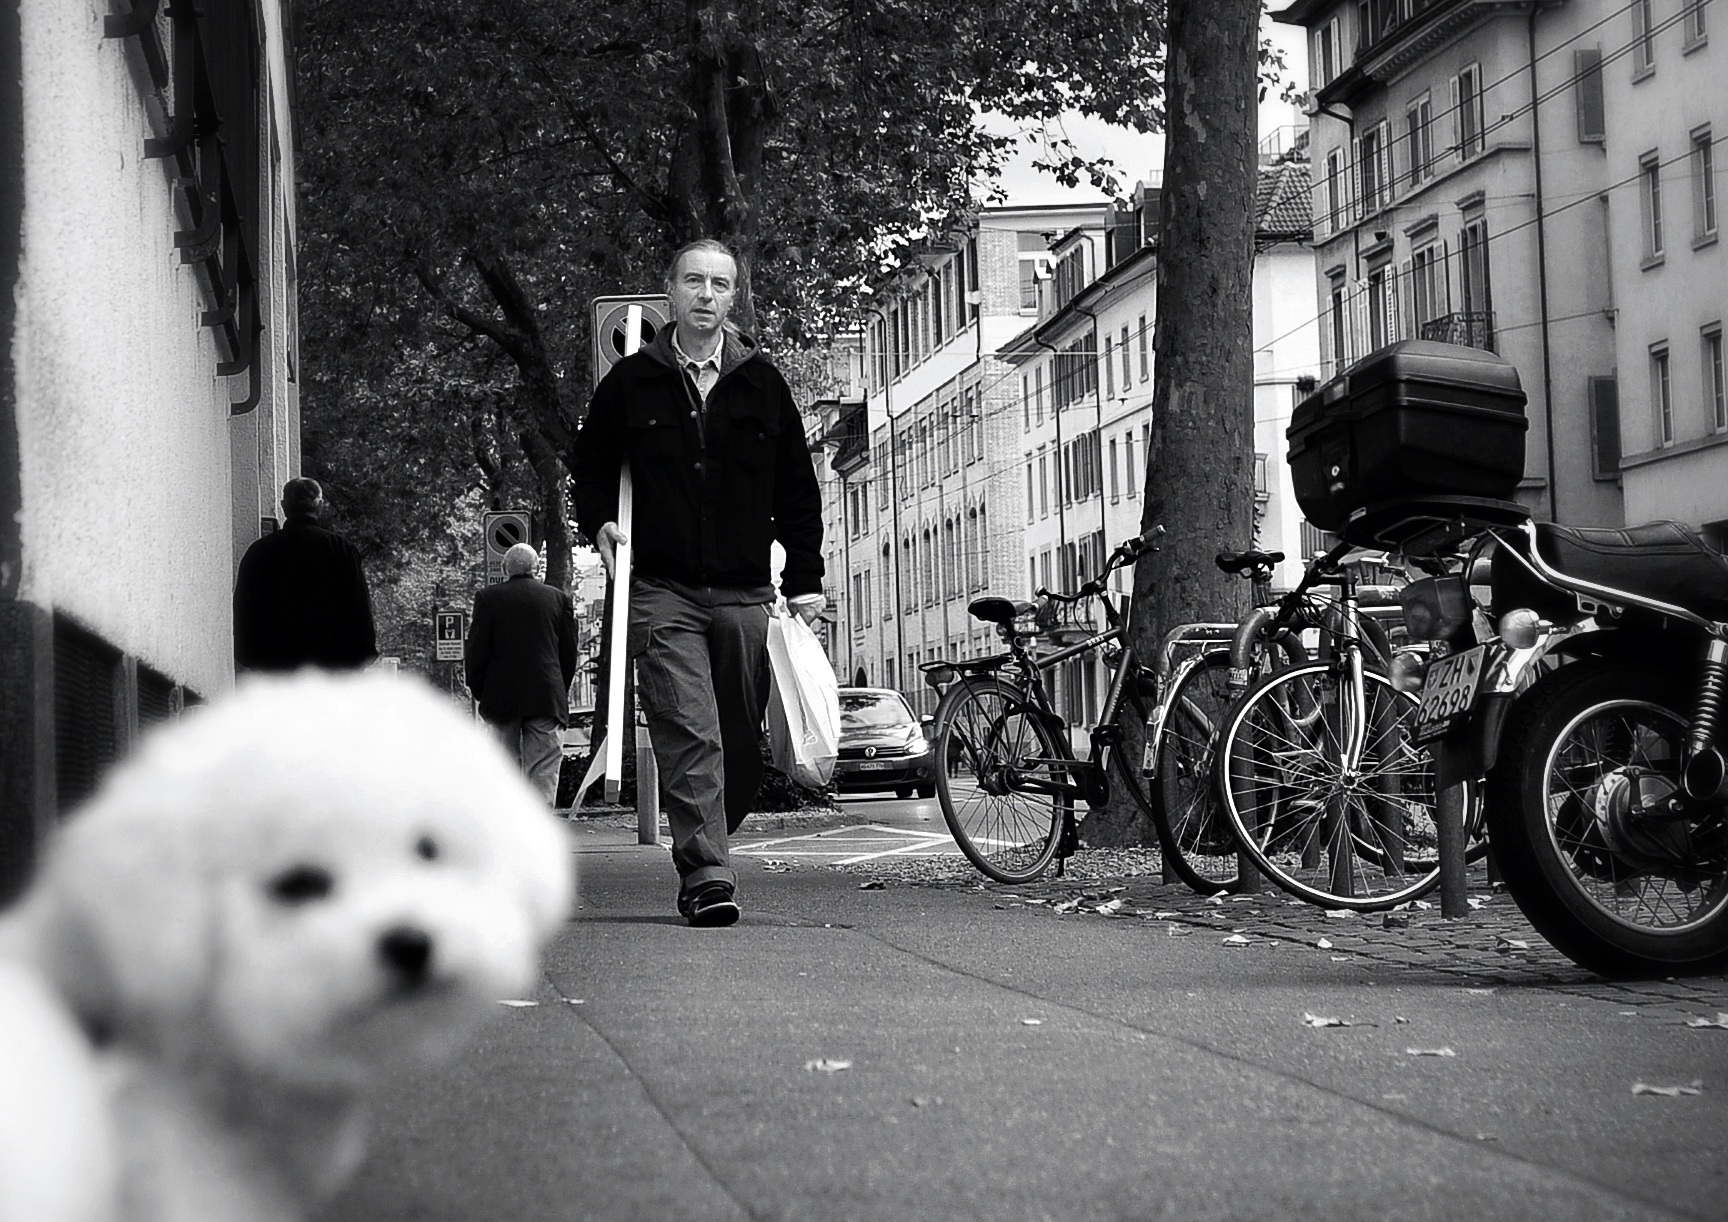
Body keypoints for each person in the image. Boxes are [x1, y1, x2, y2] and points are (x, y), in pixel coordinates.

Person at [571, 238, 825, 928]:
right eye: (693, 281)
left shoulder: (762, 383)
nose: (706, 294)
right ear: (670, 292)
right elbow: (590, 471)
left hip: (744, 592)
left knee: (738, 734)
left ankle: (710, 821)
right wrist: (598, 523)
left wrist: (806, 578)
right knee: (689, 727)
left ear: (733, 296)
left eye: (719, 284)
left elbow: (798, 490)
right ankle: (707, 871)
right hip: (662, 588)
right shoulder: (631, 383)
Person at [464, 542, 579, 805]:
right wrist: (559, 687)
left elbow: (477, 650)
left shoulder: (487, 598)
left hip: (501, 698)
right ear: (537, 568)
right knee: (543, 768)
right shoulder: (558, 599)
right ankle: (538, 833)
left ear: (505, 568)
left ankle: (507, 830)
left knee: (503, 769)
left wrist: (479, 689)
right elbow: (568, 652)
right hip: (546, 697)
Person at [233, 478, 377, 673]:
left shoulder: (259, 552)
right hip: (330, 670)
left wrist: (251, 658)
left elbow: (243, 610)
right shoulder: (340, 549)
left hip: (275, 670)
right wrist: (358, 661)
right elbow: (358, 608)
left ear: (284, 506)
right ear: (320, 506)